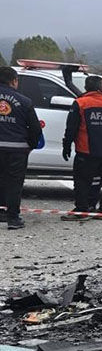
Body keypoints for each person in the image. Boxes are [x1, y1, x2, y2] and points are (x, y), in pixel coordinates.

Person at [62, 75, 102, 221]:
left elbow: (71, 128)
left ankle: (82, 210)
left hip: (87, 150)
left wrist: (66, 145)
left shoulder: (80, 103)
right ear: (101, 88)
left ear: (86, 87)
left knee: (82, 181)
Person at [0, 65, 43, 230]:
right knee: (14, 184)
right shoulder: (24, 101)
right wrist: (29, 146)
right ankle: (13, 218)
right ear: (14, 81)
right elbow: (35, 129)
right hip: (16, 149)